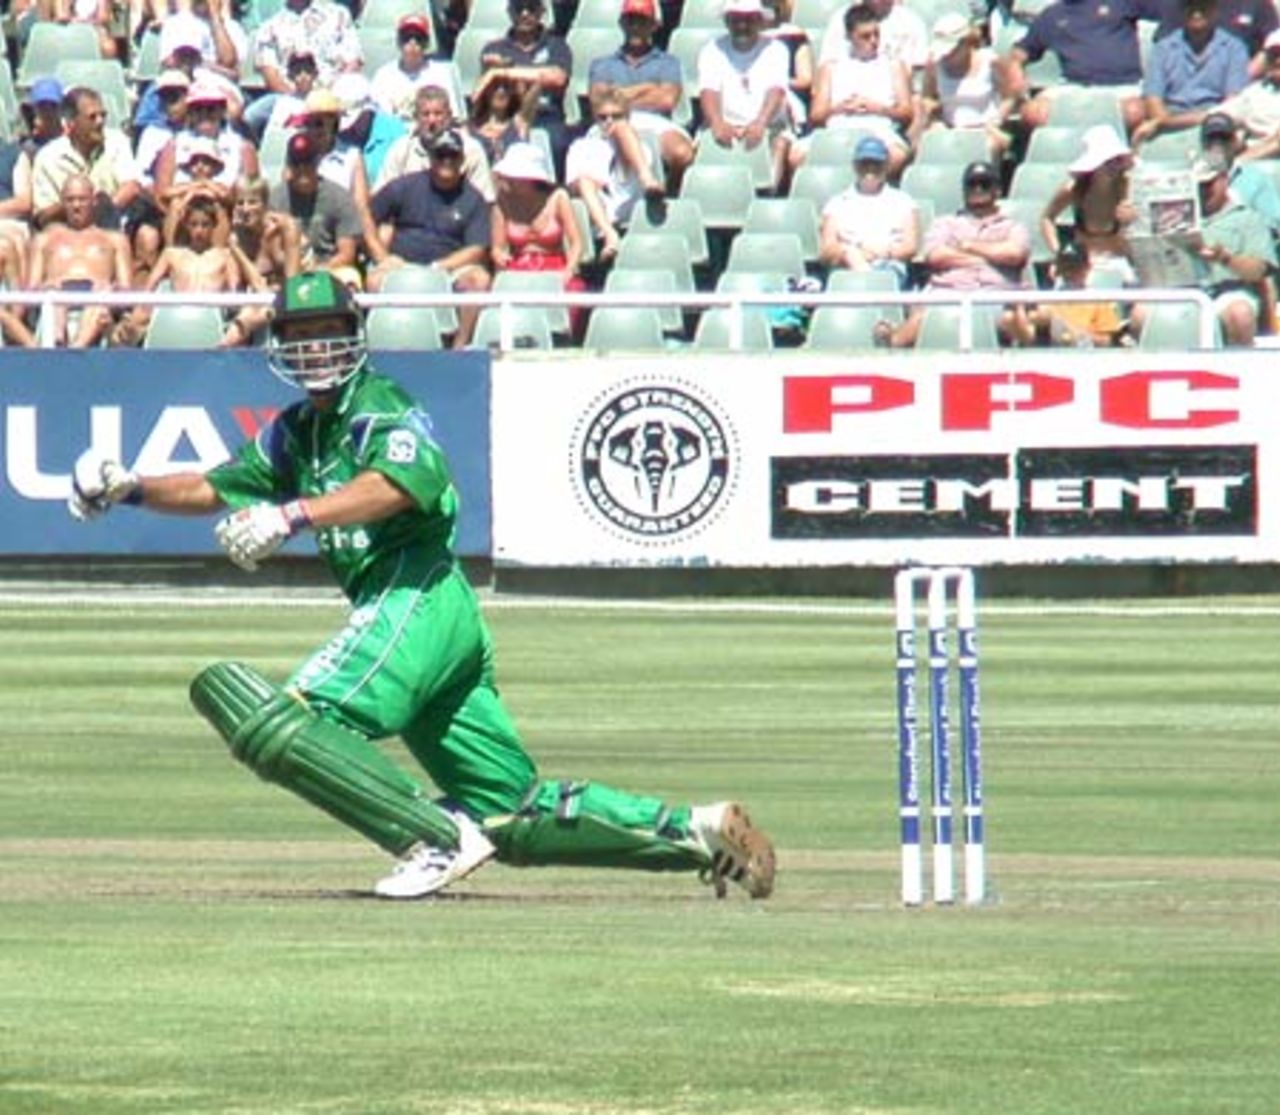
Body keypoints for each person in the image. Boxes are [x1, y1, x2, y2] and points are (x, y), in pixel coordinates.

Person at [64, 270, 779, 902]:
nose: (316, 349)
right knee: (509, 812)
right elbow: (210, 484)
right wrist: (129, 487)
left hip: (416, 592)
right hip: (438, 620)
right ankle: (697, 830)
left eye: (329, 333)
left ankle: (434, 837)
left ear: (356, 335)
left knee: (293, 721)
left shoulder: (382, 404)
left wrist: (292, 513)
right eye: (300, 335)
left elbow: (404, 484)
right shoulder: (295, 433)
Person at [876, 160, 1032, 348]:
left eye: (984, 183)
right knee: (923, 317)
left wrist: (968, 245)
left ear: (997, 190)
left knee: (1012, 320)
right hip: (949, 292)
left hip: (996, 295)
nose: (978, 189)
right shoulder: (945, 223)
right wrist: (989, 257)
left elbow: (1014, 254)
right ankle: (889, 349)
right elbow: (936, 255)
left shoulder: (1013, 226)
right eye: (972, 184)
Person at [365, 128, 492, 348]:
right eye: (440, 155)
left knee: (479, 280)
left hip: (448, 269)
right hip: (401, 265)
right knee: (375, 280)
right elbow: (367, 217)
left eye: (452, 155)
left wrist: (440, 267)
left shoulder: (473, 198)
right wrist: (382, 257)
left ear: (462, 158)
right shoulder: (405, 186)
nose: (446, 161)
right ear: (430, 158)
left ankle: (459, 348)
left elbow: (477, 248)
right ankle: (381, 343)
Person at [587, 0, 695, 191]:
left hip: (656, 123)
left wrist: (620, 94)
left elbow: (667, 100)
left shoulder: (668, 63)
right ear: (622, 24)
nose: (636, 27)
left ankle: (669, 194)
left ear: (654, 25)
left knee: (682, 153)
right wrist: (648, 87)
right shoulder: (602, 64)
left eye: (642, 21)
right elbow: (599, 102)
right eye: (631, 21)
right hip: (612, 122)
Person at [1006, 0, 1162, 132]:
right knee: (1032, 113)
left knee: (1135, 111)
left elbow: (1171, 12)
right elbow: (1021, 50)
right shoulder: (1052, 15)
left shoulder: (1121, 3)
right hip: (1073, 86)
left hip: (1123, 87)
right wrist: (1015, 66)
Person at [805, 2, 913, 179]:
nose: (874, 41)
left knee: (897, 155)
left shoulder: (894, 66)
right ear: (849, 36)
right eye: (865, 36)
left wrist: (876, 108)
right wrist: (839, 108)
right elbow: (816, 115)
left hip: (879, 130)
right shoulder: (831, 67)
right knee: (797, 155)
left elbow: (906, 112)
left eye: (876, 34)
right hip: (838, 129)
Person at [26, 174, 132, 348]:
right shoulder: (44, 240)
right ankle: (59, 343)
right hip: (56, 302)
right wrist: (44, 288)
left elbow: (127, 292)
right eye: (70, 200)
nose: (76, 205)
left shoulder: (115, 240)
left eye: (82, 200)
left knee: (101, 296)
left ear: (93, 201)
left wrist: (112, 289)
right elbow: (30, 291)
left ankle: (76, 348)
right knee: (53, 297)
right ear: (62, 203)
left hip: (97, 302)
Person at [491, 140, 587, 332]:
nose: (508, 180)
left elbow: (577, 242)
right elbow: (497, 247)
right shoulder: (502, 202)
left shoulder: (558, 198)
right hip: (517, 267)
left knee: (575, 291)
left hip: (555, 266)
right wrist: (499, 256)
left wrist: (569, 269)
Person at [697, 0, 793, 190]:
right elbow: (708, 91)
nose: (742, 25)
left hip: (769, 126)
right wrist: (717, 123)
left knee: (779, 144)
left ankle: (768, 194)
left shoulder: (776, 49)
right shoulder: (712, 50)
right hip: (724, 125)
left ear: (759, 20)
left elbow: (776, 90)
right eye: (736, 20)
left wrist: (760, 123)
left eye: (748, 19)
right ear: (727, 21)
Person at [1133, 0, 1249, 148]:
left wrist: (1165, 122)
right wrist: (1164, 122)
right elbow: (1153, 101)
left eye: (1202, 7)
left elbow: (1232, 105)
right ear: (1181, 10)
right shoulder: (1162, 49)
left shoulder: (1234, 49)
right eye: (1190, 7)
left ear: (1215, 10)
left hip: (1214, 127)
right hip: (1168, 126)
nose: (1196, 13)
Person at [566, 88, 665, 261]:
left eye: (617, 116)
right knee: (584, 182)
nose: (609, 122)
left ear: (627, 116)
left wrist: (620, 130)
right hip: (598, 211)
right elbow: (574, 187)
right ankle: (610, 236)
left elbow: (622, 133)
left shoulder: (640, 147)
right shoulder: (581, 147)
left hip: (632, 206)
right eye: (603, 117)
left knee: (622, 131)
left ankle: (647, 179)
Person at [478, 0, 574, 176]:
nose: (524, 14)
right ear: (509, 12)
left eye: (531, 7)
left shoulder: (557, 46)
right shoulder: (494, 48)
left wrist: (505, 71)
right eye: (518, 8)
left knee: (558, 142)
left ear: (542, 11)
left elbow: (558, 78)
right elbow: (483, 93)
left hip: (547, 117)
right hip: (506, 116)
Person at [1187, 155, 1277, 344]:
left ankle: (1243, 371)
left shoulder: (1248, 219)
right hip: (1183, 293)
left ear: (1224, 179)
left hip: (1229, 294)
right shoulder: (1173, 218)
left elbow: (1259, 271)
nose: (1202, 191)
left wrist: (1225, 258)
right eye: (1197, 185)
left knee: (1239, 314)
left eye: (1207, 184)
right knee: (1141, 313)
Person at [247, 0, 364, 137]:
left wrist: (326, 97)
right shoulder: (269, 27)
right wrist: (302, 100)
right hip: (291, 97)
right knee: (250, 116)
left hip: (335, 95)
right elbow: (270, 73)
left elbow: (353, 61)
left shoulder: (339, 15)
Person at [1040, 125, 1139, 286]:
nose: (1114, 167)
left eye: (1118, 160)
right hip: (1082, 265)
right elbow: (1047, 218)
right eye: (1108, 162)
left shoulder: (1129, 187)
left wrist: (1132, 221)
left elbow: (1143, 233)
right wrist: (1059, 253)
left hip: (1118, 262)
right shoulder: (1073, 188)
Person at [32, 88, 141, 232]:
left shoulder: (117, 143)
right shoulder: (48, 157)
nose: (100, 121)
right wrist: (74, 205)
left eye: (103, 115)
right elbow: (42, 217)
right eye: (92, 117)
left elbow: (131, 187)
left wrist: (103, 210)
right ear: (71, 122)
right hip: (65, 230)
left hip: (112, 225)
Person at [818, 135, 919, 286]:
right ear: (855, 166)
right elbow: (827, 250)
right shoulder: (837, 204)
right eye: (865, 164)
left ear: (886, 165)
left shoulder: (904, 202)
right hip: (847, 268)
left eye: (876, 164)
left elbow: (910, 247)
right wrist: (850, 254)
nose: (870, 169)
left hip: (889, 265)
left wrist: (885, 252)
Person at [918, 12, 1015, 159]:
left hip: (985, 129)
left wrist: (996, 120)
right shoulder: (934, 65)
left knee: (989, 147)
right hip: (949, 129)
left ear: (965, 43)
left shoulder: (990, 61)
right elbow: (926, 97)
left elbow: (1010, 96)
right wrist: (934, 115)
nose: (947, 56)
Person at [376, 85, 496, 203]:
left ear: (449, 116)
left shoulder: (470, 150)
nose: (432, 121)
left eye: (438, 114)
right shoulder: (400, 150)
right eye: (425, 114)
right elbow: (381, 197)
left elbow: (485, 201)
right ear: (416, 117)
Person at [268, 133, 362, 272]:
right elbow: (275, 253)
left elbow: (346, 254)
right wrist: (297, 268)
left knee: (349, 277)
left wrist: (317, 270)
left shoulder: (339, 198)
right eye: (296, 163)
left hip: (329, 269)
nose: (302, 169)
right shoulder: (276, 199)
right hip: (288, 268)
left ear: (318, 162)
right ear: (288, 165)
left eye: (307, 162)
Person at [1030, 240, 1129, 346]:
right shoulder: (1047, 301)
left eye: (1075, 269)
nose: (1070, 274)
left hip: (1084, 355)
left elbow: (1107, 341)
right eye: (1066, 269)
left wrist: (1074, 334)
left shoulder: (1098, 300)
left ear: (1087, 267)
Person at [370, 13, 464, 123]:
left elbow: (453, 115)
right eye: (407, 38)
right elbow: (374, 116)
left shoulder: (440, 74)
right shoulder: (384, 75)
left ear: (427, 43)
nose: (412, 42)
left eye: (418, 38)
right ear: (399, 42)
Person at [1216, 30, 1280, 157]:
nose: (1278, 61)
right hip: (1254, 166)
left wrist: (1242, 161)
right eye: (1274, 55)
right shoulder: (1254, 93)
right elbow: (1219, 116)